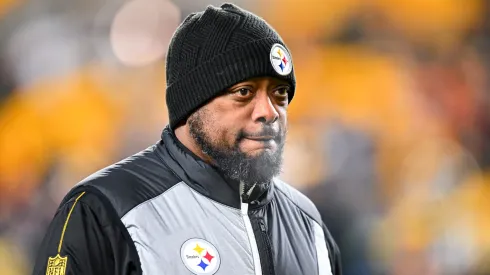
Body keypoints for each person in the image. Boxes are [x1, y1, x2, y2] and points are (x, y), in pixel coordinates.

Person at [32, 3, 341, 275]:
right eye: (243, 92)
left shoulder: (309, 224)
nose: (269, 112)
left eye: (279, 93)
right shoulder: (104, 209)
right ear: (192, 104)